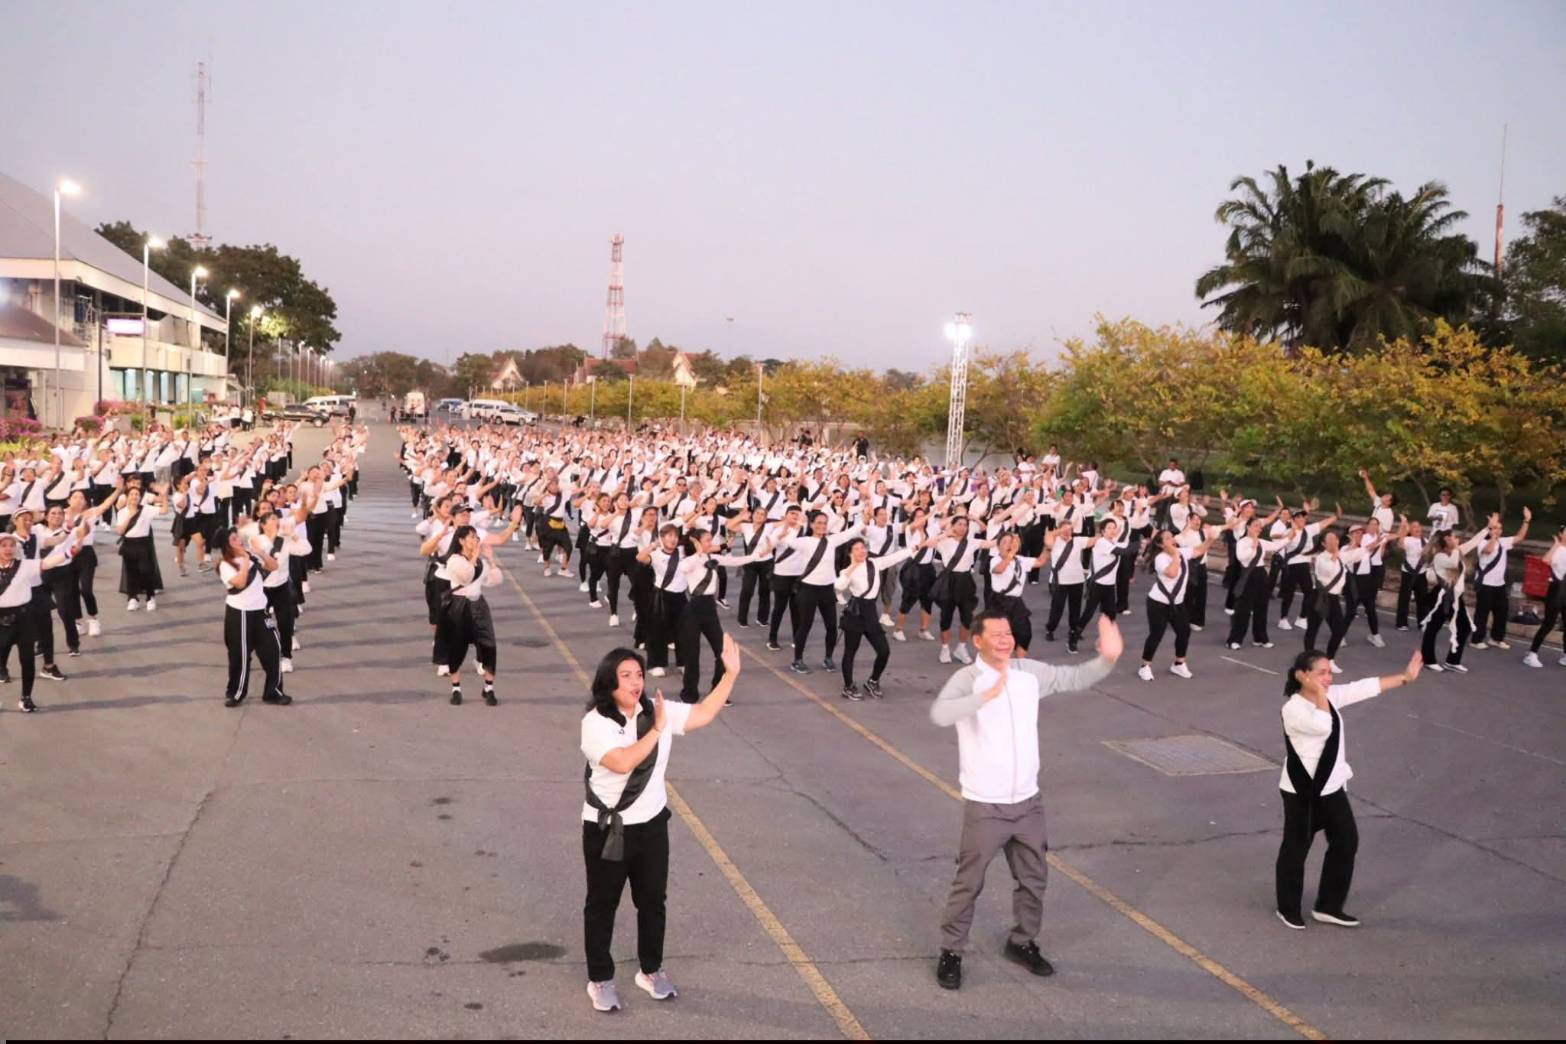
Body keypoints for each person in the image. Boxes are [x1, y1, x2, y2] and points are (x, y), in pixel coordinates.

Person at [929, 612, 1123, 990]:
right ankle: (951, 951)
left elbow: (1074, 677)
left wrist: (1108, 658)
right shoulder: (967, 678)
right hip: (986, 806)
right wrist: (983, 697)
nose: (1005, 639)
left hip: (1028, 804)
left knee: (1034, 880)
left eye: (1008, 633)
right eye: (996, 634)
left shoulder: (1028, 673)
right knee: (968, 883)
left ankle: (1022, 942)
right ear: (978, 641)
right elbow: (941, 713)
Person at [580, 636, 742, 1013]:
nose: (636, 682)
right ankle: (600, 978)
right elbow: (622, 763)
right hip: (608, 829)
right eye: (626, 676)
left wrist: (730, 676)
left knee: (653, 902)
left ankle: (650, 970)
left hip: (652, 826)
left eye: (639, 674)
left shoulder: (657, 709)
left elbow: (702, 714)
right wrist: (656, 729)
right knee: (602, 905)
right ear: (609, 683)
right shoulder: (595, 723)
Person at [1275, 648, 1422, 930]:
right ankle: (1288, 908)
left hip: (1331, 788)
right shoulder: (1293, 708)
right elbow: (1321, 727)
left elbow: (1363, 688)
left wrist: (1404, 677)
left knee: (1346, 841)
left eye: (1330, 672)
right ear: (1302, 676)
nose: (1329, 678)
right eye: (1322, 673)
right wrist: (1319, 693)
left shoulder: (1327, 697)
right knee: (1296, 848)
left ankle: (1328, 906)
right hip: (1302, 791)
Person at [0, 529, 79, 711]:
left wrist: (70, 552)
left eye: (12, 545)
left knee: (27, 660)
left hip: (23, 618)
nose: (8, 549)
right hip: (1, 620)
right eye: (3, 545)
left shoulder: (25, 565)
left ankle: (26, 697)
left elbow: (48, 562)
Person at [215, 525, 290, 708]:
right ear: (226, 545)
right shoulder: (224, 565)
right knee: (239, 655)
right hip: (239, 614)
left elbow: (274, 566)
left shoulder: (252, 556)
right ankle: (235, 693)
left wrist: (260, 554)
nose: (239, 541)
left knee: (273, 650)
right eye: (233, 540)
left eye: (238, 538)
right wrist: (246, 561)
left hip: (260, 611)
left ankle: (273, 692)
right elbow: (240, 583)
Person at [1466, 507, 1531, 650]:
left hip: (1499, 584)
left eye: (1500, 528)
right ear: (1490, 529)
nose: (1498, 530)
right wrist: (1493, 535)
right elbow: (1488, 551)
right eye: (1495, 528)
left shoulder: (1503, 542)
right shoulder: (1483, 542)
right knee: (1482, 613)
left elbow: (1520, 537)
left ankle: (1496, 638)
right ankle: (1476, 640)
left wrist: (1526, 520)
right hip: (1486, 584)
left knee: (1502, 612)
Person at [1523, 527, 1566, 669]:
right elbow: (1546, 560)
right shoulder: (1558, 550)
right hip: (1557, 589)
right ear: (1560, 534)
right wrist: (1556, 544)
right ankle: (1532, 654)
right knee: (1549, 624)